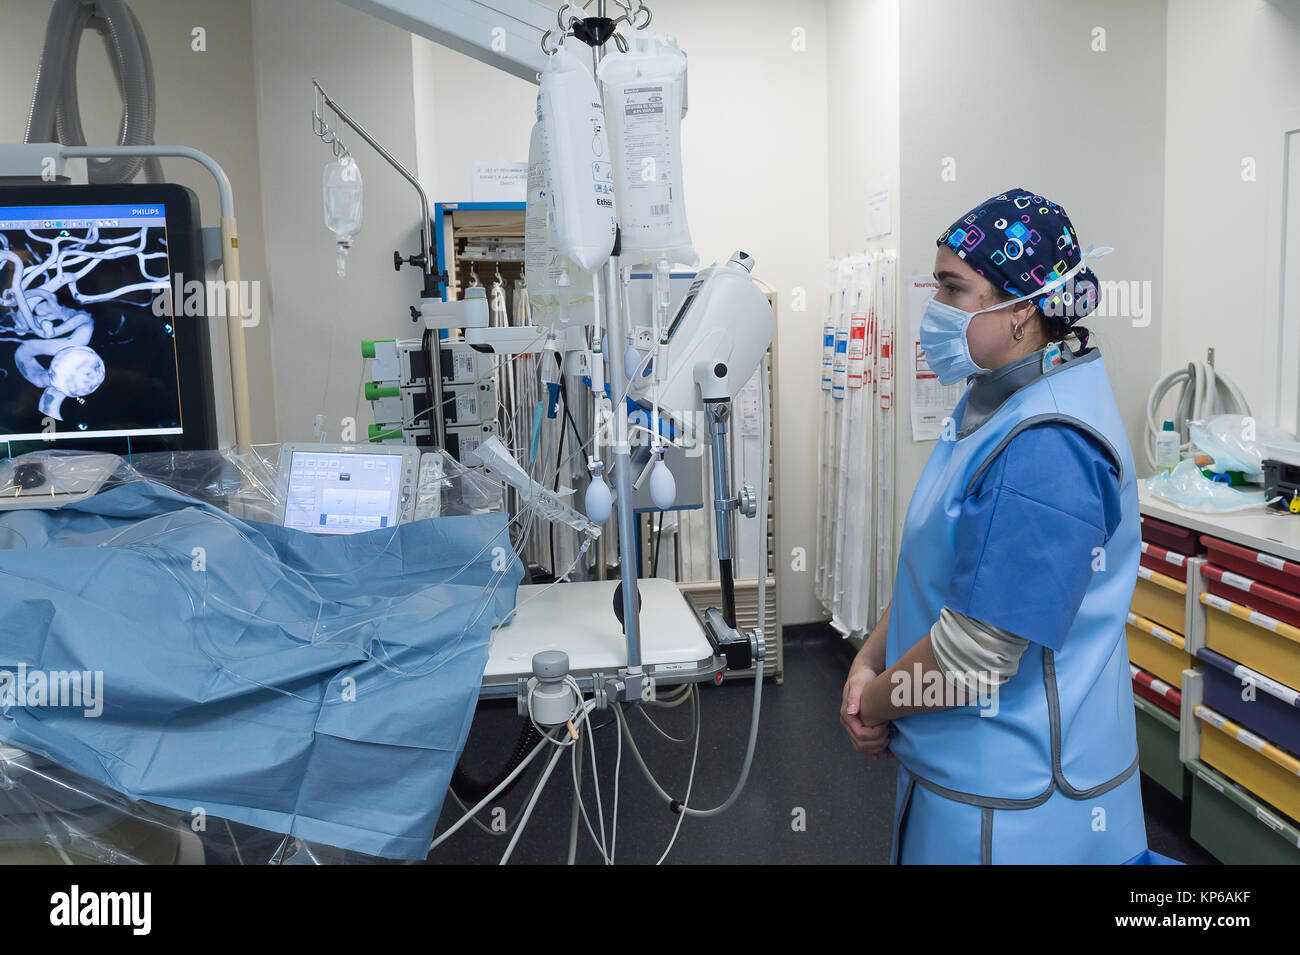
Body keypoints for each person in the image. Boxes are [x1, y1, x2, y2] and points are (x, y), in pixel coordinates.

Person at [840, 187, 1147, 864]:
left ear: (1023, 307)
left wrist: (875, 701)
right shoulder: (999, 399)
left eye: (954, 289)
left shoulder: (1049, 442)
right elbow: (943, 566)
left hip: (1022, 806)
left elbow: (975, 658)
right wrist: (868, 656)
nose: (935, 311)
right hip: (964, 773)